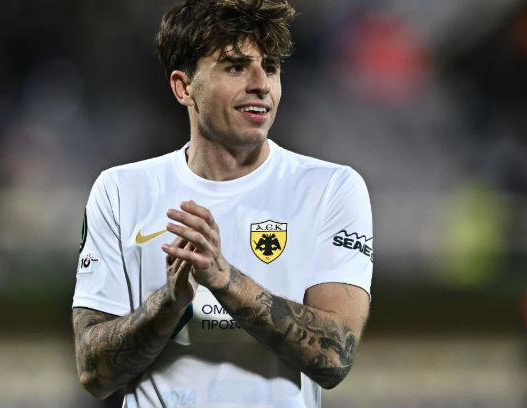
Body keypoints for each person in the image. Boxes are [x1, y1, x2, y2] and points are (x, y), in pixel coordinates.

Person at [71, 0, 373, 407]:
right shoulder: (121, 190)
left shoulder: (330, 188)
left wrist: (225, 279)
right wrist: (169, 304)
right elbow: (94, 374)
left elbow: (335, 357)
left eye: (271, 67)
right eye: (235, 67)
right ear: (184, 87)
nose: (261, 84)